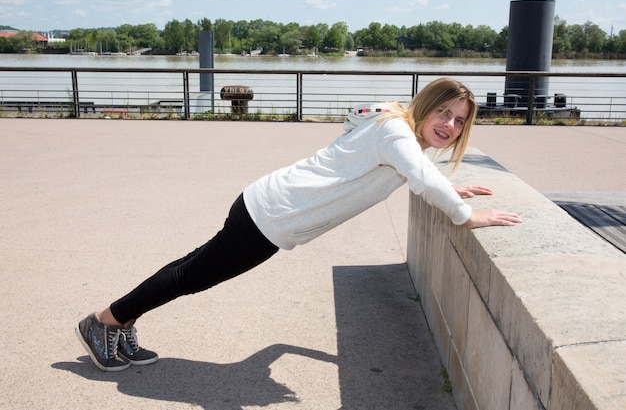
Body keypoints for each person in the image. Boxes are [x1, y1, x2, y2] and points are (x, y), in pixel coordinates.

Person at [75, 77, 522, 371]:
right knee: (191, 275)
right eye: (445, 113)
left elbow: (413, 172)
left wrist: (450, 188)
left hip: (269, 210)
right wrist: (465, 217)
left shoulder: (396, 130)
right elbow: (419, 176)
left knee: (191, 268)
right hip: (270, 215)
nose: (450, 125)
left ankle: (121, 319)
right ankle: (103, 321)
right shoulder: (395, 132)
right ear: (426, 106)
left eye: (460, 121)